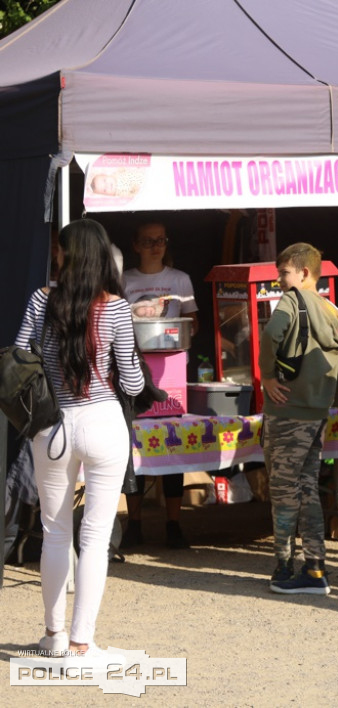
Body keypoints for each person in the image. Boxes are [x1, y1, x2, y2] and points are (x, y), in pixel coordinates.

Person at [16, 219, 144, 662]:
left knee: (55, 533)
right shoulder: (117, 308)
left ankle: (53, 636)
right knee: (94, 537)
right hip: (104, 422)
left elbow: (20, 357)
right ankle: (80, 644)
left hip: (52, 425)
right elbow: (132, 382)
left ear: (66, 254)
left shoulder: (40, 300)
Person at [261, 243, 338, 594]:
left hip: (287, 411)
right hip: (317, 414)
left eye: (284, 273)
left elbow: (270, 334)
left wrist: (268, 376)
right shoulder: (330, 309)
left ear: (304, 273)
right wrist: (335, 355)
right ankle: (314, 568)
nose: (279, 280)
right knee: (307, 489)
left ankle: (284, 568)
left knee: (283, 491)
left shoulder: (292, 300)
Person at [121, 222, 198, 550]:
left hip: (171, 369)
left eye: (161, 240)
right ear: (136, 245)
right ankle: (134, 524)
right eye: (148, 241)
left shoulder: (180, 279)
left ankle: (173, 524)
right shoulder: (124, 280)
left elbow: (193, 322)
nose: (155, 246)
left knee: (172, 446)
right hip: (132, 368)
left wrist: (177, 331)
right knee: (133, 447)